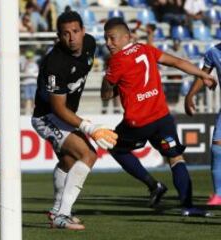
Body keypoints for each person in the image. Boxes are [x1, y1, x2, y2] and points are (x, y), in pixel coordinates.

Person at [101, 17, 216, 216]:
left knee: (114, 147)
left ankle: (153, 185)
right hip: (162, 118)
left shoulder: (117, 61)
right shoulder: (146, 49)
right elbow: (178, 62)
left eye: (112, 39)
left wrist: (109, 79)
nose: (108, 44)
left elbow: (105, 95)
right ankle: (188, 207)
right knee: (176, 158)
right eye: (106, 39)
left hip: (138, 122)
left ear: (127, 37)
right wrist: (204, 75)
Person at [31, 11, 118, 230]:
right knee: (88, 154)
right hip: (47, 117)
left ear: (84, 31)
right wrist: (88, 127)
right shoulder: (54, 64)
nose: (72, 38)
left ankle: (55, 211)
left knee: (69, 162)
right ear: (58, 36)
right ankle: (62, 216)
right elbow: (58, 107)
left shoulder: (90, 44)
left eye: (76, 31)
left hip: (64, 115)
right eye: (66, 33)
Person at [185, 43, 221, 205]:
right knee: (217, 148)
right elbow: (203, 74)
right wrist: (190, 95)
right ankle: (219, 195)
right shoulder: (213, 52)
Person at [21, 50, 38, 114]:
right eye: (28, 57)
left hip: (33, 83)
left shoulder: (35, 64)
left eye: (30, 57)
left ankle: (34, 111)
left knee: (34, 98)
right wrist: (26, 64)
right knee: (27, 98)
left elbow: (36, 73)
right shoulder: (24, 64)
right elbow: (23, 72)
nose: (29, 59)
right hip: (26, 83)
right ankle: (27, 111)